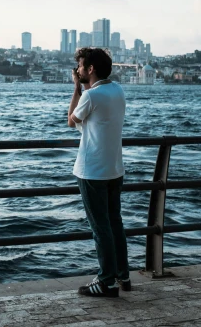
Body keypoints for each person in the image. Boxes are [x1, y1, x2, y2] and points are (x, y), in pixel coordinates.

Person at [67, 47, 130, 298]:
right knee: (115, 223)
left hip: (91, 170)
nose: (78, 70)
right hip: (114, 168)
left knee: (100, 227)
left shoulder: (91, 96)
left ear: (90, 69)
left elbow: (71, 120)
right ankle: (122, 274)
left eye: (81, 66)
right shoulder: (118, 90)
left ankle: (106, 281)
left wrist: (76, 88)